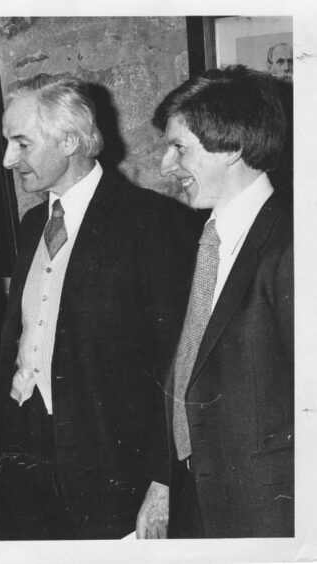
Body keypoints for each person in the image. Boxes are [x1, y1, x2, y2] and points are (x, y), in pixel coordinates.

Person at [0, 74, 198, 540]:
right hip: (24, 460)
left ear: (69, 140)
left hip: (110, 468)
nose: (8, 159)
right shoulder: (30, 227)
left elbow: (178, 363)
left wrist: (164, 481)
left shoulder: (153, 224)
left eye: (21, 143)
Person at [153, 65, 293, 538]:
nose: (165, 166)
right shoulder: (203, 240)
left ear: (231, 147)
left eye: (179, 149)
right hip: (200, 502)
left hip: (269, 517)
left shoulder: (294, 247)